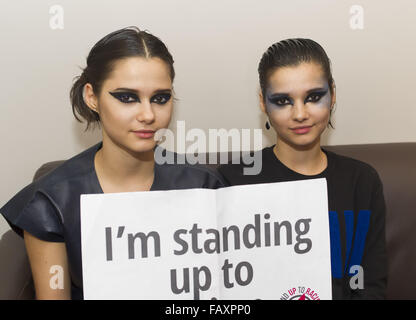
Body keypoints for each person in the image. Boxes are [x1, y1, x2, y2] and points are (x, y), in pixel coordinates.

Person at [0, 26, 225, 300]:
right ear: (92, 97)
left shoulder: (202, 186)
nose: (148, 114)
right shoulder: (51, 201)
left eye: (160, 98)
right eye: (127, 97)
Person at [217, 38, 387, 299]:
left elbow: (371, 284)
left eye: (313, 97)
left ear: (332, 94)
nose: (299, 114)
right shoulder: (232, 181)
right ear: (263, 103)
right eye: (283, 101)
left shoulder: (362, 181)